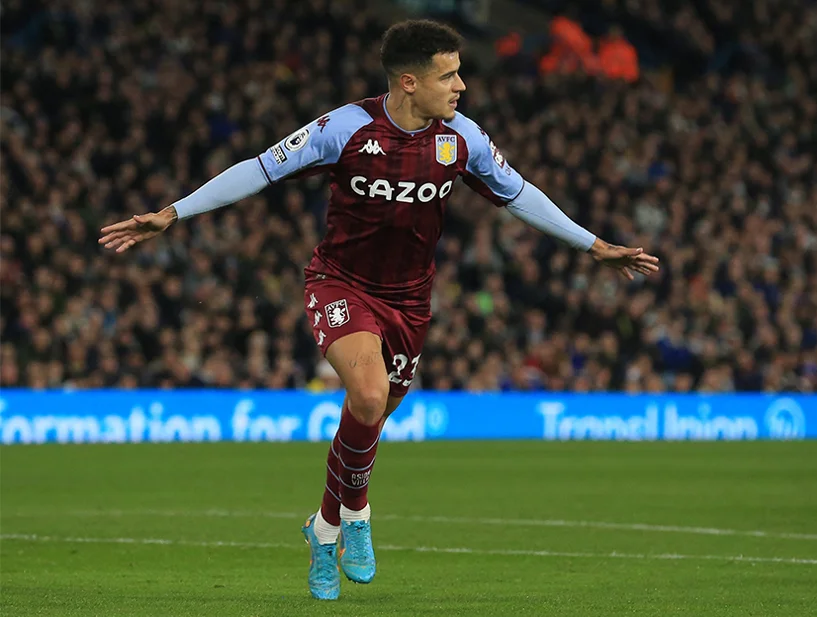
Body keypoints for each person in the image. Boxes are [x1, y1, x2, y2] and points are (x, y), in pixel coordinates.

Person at [98, 19, 660, 601]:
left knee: (369, 419)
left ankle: (323, 529)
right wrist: (174, 212)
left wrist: (593, 245)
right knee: (367, 396)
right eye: (449, 75)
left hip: (410, 301)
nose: (461, 86)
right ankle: (358, 516)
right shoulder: (346, 128)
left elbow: (518, 193)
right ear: (409, 82)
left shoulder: (462, 139)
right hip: (339, 284)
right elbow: (261, 167)